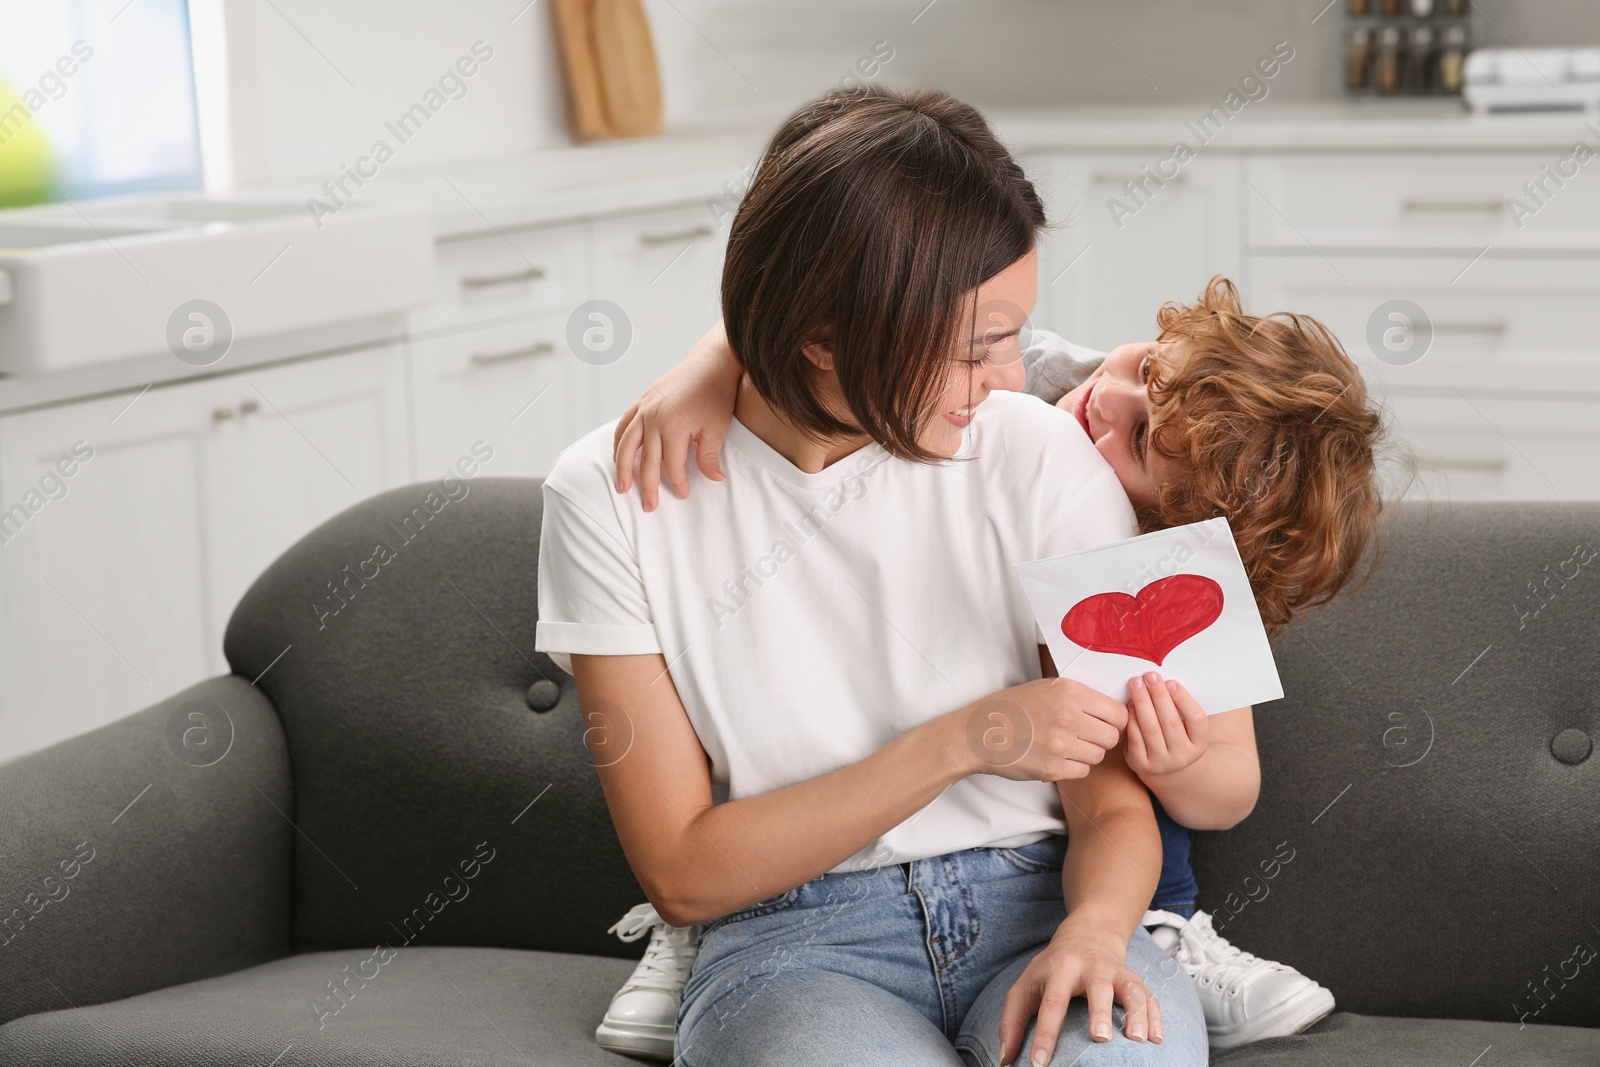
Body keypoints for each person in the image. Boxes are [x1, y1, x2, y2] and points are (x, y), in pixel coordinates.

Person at [536, 86, 1211, 1066]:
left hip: (1047, 902)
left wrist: (1099, 930)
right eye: (974, 349)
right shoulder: (606, 497)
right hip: (791, 942)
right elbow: (682, 868)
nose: (1015, 379)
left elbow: (1110, 805)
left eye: (1010, 336)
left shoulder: (1035, 453)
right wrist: (964, 738)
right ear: (824, 337)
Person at [594, 277, 1386, 1054]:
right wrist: (707, 369)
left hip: (1058, 823)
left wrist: (1176, 767)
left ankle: (1159, 924)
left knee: (1130, 741)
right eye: (1146, 369)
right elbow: (835, 316)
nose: (1105, 407)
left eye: (1138, 443)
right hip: (811, 859)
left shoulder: (1159, 555)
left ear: (1185, 527)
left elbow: (1229, 783)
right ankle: (693, 925)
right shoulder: (1029, 377)